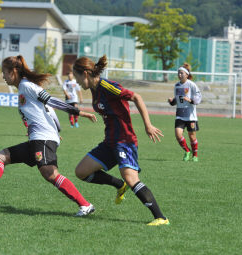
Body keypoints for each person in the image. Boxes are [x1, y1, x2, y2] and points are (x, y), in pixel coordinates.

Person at [0, 55, 97, 217]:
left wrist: (80, 112)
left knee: (50, 174)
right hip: (39, 138)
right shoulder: (22, 89)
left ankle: (85, 205)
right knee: (1, 156)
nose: (3, 76)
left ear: (14, 71)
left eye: (4, 72)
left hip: (42, 138)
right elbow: (46, 111)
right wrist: (55, 131)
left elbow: (51, 102)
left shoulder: (27, 86)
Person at [72, 55, 169, 226]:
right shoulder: (94, 89)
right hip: (109, 142)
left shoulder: (107, 86)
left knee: (131, 178)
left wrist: (148, 125)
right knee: (81, 171)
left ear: (85, 74)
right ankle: (119, 185)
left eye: (77, 77)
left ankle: (160, 217)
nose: (77, 81)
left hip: (124, 140)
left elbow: (136, 97)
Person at [168, 63, 202, 162]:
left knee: (192, 136)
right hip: (180, 114)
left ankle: (195, 155)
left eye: (181, 73)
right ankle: (187, 151)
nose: (179, 75)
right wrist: (172, 101)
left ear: (187, 74)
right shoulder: (177, 86)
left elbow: (199, 97)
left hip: (191, 116)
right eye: (178, 73)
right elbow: (177, 100)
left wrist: (191, 100)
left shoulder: (192, 85)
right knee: (178, 134)